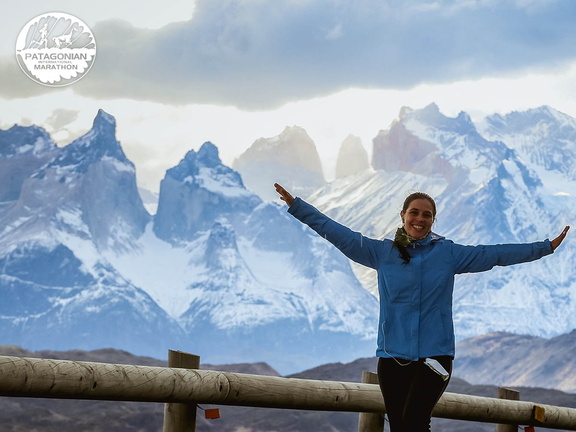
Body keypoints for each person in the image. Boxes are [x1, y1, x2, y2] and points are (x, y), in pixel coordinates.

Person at [273, 182, 570, 432]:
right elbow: (338, 233)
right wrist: (298, 206)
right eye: (414, 212)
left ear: (433, 221)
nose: (420, 218)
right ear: (402, 215)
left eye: (427, 215)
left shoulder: (448, 254)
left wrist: (544, 247)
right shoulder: (381, 252)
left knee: (415, 422)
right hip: (392, 357)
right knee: (400, 426)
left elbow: (494, 254)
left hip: (435, 357)